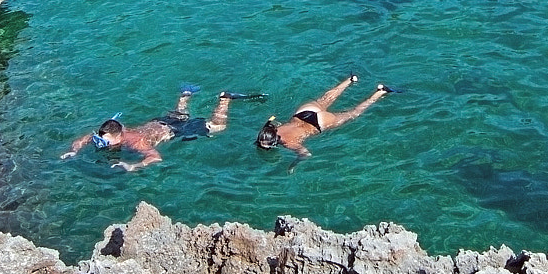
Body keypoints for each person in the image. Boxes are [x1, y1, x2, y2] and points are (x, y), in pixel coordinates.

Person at [62, 86, 256, 172]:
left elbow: (155, 157)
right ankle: (185, 94)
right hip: (158, 123)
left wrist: (134, 166)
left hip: (173, 130)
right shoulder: (113, 131)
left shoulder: (134, 142)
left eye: (105, 141)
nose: (100, 143)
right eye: (100, 139)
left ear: (119, 136)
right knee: (181, 114)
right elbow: (85, 138)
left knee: (218, 127)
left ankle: (225, 99)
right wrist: (73, 150)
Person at [256, 74, 396, 159]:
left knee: (354, 113)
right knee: (325, 99)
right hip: (304, 112)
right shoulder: (270, 127)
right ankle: (351, 80)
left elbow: (306, 154)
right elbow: (273, 120)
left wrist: (294, 163)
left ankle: (380, 92)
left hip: (319, 123)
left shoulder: (288, 144)